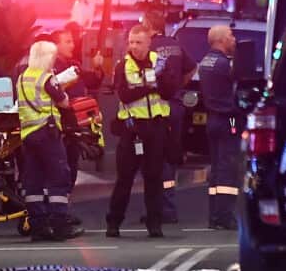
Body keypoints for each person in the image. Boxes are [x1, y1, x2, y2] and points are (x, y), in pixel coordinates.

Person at [106, 25, 172, 238]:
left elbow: (170, 90)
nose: (134, 46)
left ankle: (155, 224)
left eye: (139, 42)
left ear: (149, 42)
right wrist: (149, 87)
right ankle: (113, 223)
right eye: (131, 42)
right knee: (124, 178)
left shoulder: (160, 62)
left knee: (154, 177)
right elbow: (124, 95)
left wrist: (155, 84)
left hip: (156, 127)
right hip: (132, 129)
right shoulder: (122, 66)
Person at [16, 40, 84, 241]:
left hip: (28, 136)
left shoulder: (21, 78)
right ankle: (60, 225)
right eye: (53, 57)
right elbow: (63, 101)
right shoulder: (47, 78)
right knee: (58, 178)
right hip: (48, 133)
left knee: (33, 182)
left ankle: (38, 226)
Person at [144, 8, 196, 224]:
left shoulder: (149, 48)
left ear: (149, 26)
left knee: (154, 158)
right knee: (170, 157)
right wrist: (177, 86)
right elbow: (192, 68)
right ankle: (169, 209)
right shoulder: (175, 44)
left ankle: (158, 210)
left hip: (158, 108)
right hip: (176, 106)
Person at [198, 25, 240, 230]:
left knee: (215, 167)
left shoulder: (205, 62)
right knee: (227, 167)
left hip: (212, 118)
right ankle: (225, 216)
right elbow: (236, 92)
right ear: (221, 39)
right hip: (228, 120)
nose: (234, 39)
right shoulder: (225, 65)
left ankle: (214, 215)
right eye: (231, 36)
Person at [53, 26, 106, 187]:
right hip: (59, 127)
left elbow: (92, 81)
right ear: (56, 46)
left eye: (72, 41)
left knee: (72, 166)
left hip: (76, 125)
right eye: (67, 42)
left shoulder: (74, 64)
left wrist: (97, 68)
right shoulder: (50, 69)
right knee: (60, 169)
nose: (72, 45)